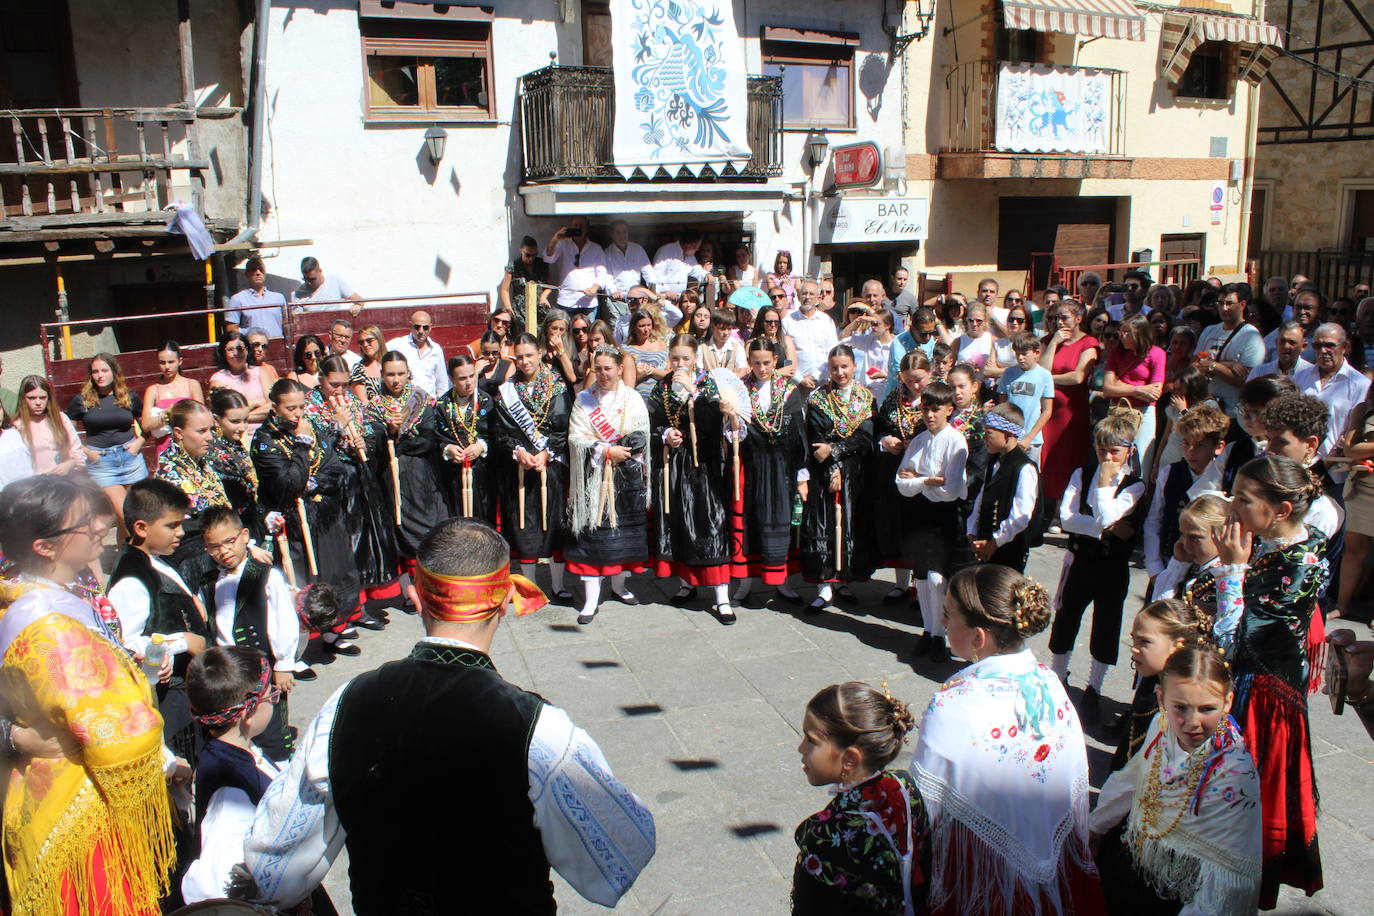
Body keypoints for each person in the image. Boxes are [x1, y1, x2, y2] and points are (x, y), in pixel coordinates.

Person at [239, 518, 655, 911]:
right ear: (506, 600)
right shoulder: (538, 730)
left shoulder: (346, 704)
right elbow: (621, 856)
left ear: (416, 595)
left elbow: (274, 870)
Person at [0, 475, 184, 915]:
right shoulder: (49, 625)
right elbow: (116, 731)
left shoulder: (54, 593)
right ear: (45, 547)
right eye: (84, 522)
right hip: (83, 806)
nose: (101, 525)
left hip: (56, 788)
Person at [909, 565, 1104, 915]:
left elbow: (924, 804)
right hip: (1052, 850)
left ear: (978, 637)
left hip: (979, 863)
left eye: (948, 615)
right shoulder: (1047, 679)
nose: (943, 622)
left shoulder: (952, 702)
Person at [1197, 455, 1327, 905]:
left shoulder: (1299, 564)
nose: (1232, 507)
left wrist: (1232, 569)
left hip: (1262, 701)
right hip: (1246, 685)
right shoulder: (1267, 543)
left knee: (1242, 809)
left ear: (1282, 511)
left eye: (1244, 500)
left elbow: (1235, 641)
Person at [1091, 646, 1262, 915]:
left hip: (1183, 892)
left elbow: (1225, 880)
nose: (1192, 722)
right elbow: (1132, 779)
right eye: (1180, 707)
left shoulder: (1234, 774)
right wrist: (1097, 826)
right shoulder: (1161, 726)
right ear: (1161, 698)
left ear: (1228, 702)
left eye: (1207, 708)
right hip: (1135, 864)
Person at [793, 682, 931, 915]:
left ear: (849, 759)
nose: (801, 748)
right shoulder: (904, 786)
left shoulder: (824, 839)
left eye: (812, 740)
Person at [181, 646, 302, 905]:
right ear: (249, 711)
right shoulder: (229, 795)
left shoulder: (234, 750)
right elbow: (213, 888)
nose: (276, 698)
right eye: (272, 695)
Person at [252, 379, 362, 654]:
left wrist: (312, 483)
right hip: (294, 522)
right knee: (302, 580)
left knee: (334, 572)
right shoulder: (264, 441)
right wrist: (301, 444)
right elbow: (288, 484)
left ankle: (331, 632)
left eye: (302, 406)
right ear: (275, 407)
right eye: (290, 408)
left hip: (324, 514)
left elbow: (334, 467)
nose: (299, 413)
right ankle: (297, 648)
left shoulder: (310, 424)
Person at [1049, 411, 1147, 719]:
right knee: (1066, 619)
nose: (1106, 457)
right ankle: (1058, 677)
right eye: (1101, 449)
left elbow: (1107, 516)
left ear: (1128, 451)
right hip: (1080, 560)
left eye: (1114, 451)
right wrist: (1106, 526)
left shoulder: (1135, 485)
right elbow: (1067, 518)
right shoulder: (1082, 473)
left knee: (1106, 627)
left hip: (1112, 566)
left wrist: (1105, 488)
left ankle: (1094, 687)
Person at [107, 478, 212, 763]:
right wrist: (182, 642)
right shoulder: (131, 580)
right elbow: (126, 643)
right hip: (170, 699)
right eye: (171, 526)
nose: (180, 533)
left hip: (185, 687)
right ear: (141, 528)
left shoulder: (153, 559)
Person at [648, 335, 739, 621]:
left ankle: (722, 595)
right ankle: (687, 582)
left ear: (695, 359)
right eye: (675, 358)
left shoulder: (708, 385)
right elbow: (649, 421)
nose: (680, 364)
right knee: (680, 523)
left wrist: (695, 395)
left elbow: (716, 425)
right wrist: (665, 434)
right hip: (674, 463)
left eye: (686, 358)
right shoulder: (661, 388)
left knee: (711, 524)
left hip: (705, 465)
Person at [200, 505, 300, 762]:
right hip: (229, 668)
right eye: (215, 547)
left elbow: (284, 619)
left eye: (229, 542)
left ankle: (280, 764)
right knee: (237, 723)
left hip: (262, 665)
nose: (224, 551)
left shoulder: (266, 576)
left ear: (245, 536)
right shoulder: (209, 583)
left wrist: (284, 663)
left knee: (271, 722)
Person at [566, 346, 651, 624]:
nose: (603, 374)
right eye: (598, 368)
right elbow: (576, 437)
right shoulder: (584, 400)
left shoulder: (633, 397)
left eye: (608, 368)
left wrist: (620, 450)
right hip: (593, 479)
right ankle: (591, 600)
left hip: (625, 478)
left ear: (618, 368)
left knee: (621, 540)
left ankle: (618, 586)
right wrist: (603, 450)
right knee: (593, 539)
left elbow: (641, 434)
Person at [310, 357, 398, 624]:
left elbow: (372, 429)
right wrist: (335, 426)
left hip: (358, 478)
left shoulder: (352, 401)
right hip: (333, 485)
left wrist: (364, 440)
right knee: (344, 546)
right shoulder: (310, 407)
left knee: (363, 542)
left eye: (344, 384)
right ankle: (345, 609)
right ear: (320, 378)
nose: (339, 391)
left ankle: (360, 604)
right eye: (333, 384)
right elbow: (313, 446)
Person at [493, 334, 573, 599]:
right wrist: (519, 451)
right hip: (520, 469)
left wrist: (546, 452)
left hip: (550, 465)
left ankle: (558, 585)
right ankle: (529, 588)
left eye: (529, 355)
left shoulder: (557, 385)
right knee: (524, 525)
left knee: (554, 523)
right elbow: (501, 431)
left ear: (540, 353)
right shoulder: (507, 390)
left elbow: (563, 424)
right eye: (520, 356)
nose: (525, 361)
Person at [895, 380, 968, 660]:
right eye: (926, 409)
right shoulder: (919, 440)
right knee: (922, 576)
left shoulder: (955, 441)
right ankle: (928, 632)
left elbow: (950, 491)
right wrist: (929, 480)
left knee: (939, 578)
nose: (929, 415)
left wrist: (918, 480)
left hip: (944, 516)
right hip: (920, 513)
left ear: (949, 410)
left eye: (936, 409)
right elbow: (901, 482)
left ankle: (940, 632)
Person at [800, 345, 876, 612]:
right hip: (824, 474)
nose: (840, 372)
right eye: (834, 367)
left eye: (844, 366)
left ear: (854, 366)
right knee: (824, 523)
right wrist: (832, 467)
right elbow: (817, 439)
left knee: (850, 525)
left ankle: (843, 579)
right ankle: (824, 586)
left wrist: (837, 451)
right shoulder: (819, 399)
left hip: (855, 473)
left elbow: (865, 437)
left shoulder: (866, 398)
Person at [733, 337, 808, 605]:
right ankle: (744, 583)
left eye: (766, 362)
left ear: (775, 361)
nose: (761, 368)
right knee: (749, 524)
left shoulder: (789, 390)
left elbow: (799, 433)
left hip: (781, 467)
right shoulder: (741, 388)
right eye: (756, 363)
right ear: (749, 362)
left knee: (781, 522)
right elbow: (736, 430)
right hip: (752, 466)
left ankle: (782, 581)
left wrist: (801, 474)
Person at [1107, 598, 1214, 771]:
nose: (1134, 648)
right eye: (1134, 639)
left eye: (1144, 642)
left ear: (1177, 646)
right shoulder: (1152, 684)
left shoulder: (1186, 706)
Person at [368, 351, 445, 578]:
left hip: (422, 475)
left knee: (431, 526)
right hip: (392, 478)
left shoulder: (420, 399)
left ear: (408, 373)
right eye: (390, 374)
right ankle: (408, 589)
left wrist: (401, 442)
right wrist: (391, 431)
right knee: (400, 531)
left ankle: (434, 580)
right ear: (382, 375)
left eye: (401, 373)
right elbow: (376, 447)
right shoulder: (374, 407)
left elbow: (429, 439)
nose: (396, 379)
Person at [1142, 405, 1229, 588]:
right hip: (1168, 564)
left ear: (1218, 446)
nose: (1191, 451)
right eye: (1186, 443)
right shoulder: (1169, 473)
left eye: (1200, 445)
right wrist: (1154, 567)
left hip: (1206, 573)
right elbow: (1154, 520)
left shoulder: (1223, 480)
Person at [872, 351, 932, 601]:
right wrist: (885, 441)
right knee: (898, 525)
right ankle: (900, 583)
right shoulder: (893, 398)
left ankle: (922, 586)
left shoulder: (936, 399)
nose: (914, 386)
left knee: (920, 528)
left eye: (918, 379)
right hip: (896, 470)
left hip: (924, 473)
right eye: (908, 381)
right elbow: (879, 428)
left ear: (929, 373)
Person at [67, 352, 148, 528]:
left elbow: (147, 426)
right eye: (95, 371)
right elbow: (67, 434)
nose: (100, 375)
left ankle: (126, 554)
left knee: (138, 514)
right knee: (126, 515)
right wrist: (87, 452)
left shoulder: (128, 397)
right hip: (102, 463)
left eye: (104, 370)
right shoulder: (82, 400)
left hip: (130, 458)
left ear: (114, 372)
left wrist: (138, 444)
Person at [1039, 300, 1100, 508]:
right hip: (1048, 410)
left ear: (1078, 318)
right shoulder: (1048, 340)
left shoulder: (1088, 343)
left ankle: (1065, 508)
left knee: (1069, 459)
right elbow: (1041, 369)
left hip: (1071, 412)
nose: (1059, 322)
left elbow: (1077, 377)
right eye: (1055, 318)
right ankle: (1046, 507)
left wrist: (1049, 378)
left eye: (1064, 317)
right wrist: (1054, 343)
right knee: (1047, 458)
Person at [967, 403, 1039, 573]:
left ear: (1008, 435)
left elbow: (1021, 515)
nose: (985, 437)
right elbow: (981, 499)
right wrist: (972, 532)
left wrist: (995, 542)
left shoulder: (1024, 467)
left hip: (1009, 548)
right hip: (985, 543)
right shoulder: (993, 461)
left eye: (989, 433)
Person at [1294, 322, 1371, 466]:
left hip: (1336, 469)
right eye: (1317, 346)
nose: (1323, 351)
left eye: (1330, 345)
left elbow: (1355, 431)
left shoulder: (1360, 384)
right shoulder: (1299, 378)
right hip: (1298, 464)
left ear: (1345, 347)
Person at [435, 355, 497, 524]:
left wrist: (481, 446)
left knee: (483, 520)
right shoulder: (442, 405)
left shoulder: (486, 401)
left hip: (482, 474)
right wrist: (447, 449)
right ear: (452, 379)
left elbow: (497, 434)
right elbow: (435, 438)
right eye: (462, 378)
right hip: (454, 474)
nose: (469, 382)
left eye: (472, 375)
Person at [1104, 313, 1167, 473]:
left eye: (1127, 332)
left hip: (1144, 413)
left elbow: (1154, 393)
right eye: (1121, 331)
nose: (1122, 336)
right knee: (1116, 459)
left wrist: (1120, 384)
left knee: (1141, 464)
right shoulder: (1116, 353)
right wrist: (1138, 389)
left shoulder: (1156, 353)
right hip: (1119, 409)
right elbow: (1108, 388)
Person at [1196, 283, 1266, 419]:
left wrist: (1213, 365)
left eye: (1229, 303)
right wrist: (1229, 365)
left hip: (1233, 413)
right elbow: (1195, 365)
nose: (1224, 308)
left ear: (1242, 305)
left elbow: (1245, 380)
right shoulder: (1209, 330)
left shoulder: (1251, 336)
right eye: (1220, 303)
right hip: (1207, 409)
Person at [207, 388, 268, 545]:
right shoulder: (212, 452)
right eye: (235, 421)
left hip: (251, 520)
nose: (242, 427)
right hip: (232, 529)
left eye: (245, 420)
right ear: (216, 420)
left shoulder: (234, 444)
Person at [1336, 382, 1374, 618]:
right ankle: (1341, 606)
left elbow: (1358, 448)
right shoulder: (1363, 408)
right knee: (1353, 550)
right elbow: (1351, 450)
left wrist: (1364, 449)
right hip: (1361, 486)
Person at [2, 375, 83, 481]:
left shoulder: (60, 418)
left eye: (42, 397)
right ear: (23, 399)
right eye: (31, 398)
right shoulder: (17, 426)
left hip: (65, 480)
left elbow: (76, 448)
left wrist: (70, 463)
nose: (38, 403)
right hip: (37, 485)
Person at [1152, 492, 1227, 603]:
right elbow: (1158, 605)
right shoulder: (1191, 567)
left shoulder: (1223, 577)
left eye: (1195, 537)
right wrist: (1178, 565)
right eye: (1182, 534)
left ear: (1222, 536)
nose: (1185, 544)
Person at [994, 333, 1054, 464]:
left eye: (1024, 354)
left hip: (1032, 439)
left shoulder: (1045, 376)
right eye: (1017, 354)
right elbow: (1002, 407)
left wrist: (1029, 438)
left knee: (1029, 476)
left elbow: (1047, 411)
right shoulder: (1009, 373)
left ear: (1036, 353)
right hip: (1009, 437)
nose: (1020, 358)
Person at [143, 341, 205, 456]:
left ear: (180, 361)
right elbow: (146, 425)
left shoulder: (192, 384)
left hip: (192, 447)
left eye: (171, 362)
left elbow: (202, 417)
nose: (167, 367)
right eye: (162, 362)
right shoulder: (153, 390)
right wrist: (166, 416)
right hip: (165, 449)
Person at [1153, 365, 1218, 473]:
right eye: (1175, 389)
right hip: (1168, 459)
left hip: (1191, 462)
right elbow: (1165, 436)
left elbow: (1201, 431)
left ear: (1193, 388)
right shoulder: (1173, 406)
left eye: (1181, 389)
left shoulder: (1209, 405)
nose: (1177, 393)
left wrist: (1183, 410)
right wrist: (1156, 463)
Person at [209, 329, 276, 431]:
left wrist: (239, 417)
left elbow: (273, 407)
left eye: (240, 348)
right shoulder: (218, 379)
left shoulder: (261, 372)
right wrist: (255, 402)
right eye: (230, 349)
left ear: (247, 350)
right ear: (223, 352)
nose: (236, 353)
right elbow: (224, 413)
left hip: (266, 432)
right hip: (238, 435)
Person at [545, 215, 611, 318]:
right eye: (575, 225)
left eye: (581, 225)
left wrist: (594, 288)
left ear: (587, 228)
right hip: (566, 301)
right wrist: (555, 238)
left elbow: (602, 273)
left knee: (587, 333)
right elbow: (549, 258)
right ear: (570, 227)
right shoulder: (562, 245)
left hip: (589, 303)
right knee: (566, 333)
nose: (578, 227)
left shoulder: (596, 248)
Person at [784, 279, 839, 391]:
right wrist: (799, 379)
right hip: (795, 385)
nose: (807, 297)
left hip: (822, 384)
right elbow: (785, 356)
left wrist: (816, 376)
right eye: (804, 293)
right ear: (799, 296)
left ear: (818, 298)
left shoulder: (827, 321)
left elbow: (832, 352)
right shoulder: (788, 321)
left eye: (811, 294)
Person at [386, 309, 449, 398]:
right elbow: (379, 353)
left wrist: (440, 404)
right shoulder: (398, 344)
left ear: (430, 327)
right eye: (417, 327)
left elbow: (442, 383)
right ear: (410, 326)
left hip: (429, 404)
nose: (421, 331)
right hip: (404, 402)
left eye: (425, 327)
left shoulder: (436, 349)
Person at [225, 257, 287, 337]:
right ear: (247, 274)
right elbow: (231, 329)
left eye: (261, 269)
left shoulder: (279, 298)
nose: (258, 273)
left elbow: (287, 325)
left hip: (276, 344)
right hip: (253, 346)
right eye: (253, 269)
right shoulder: (237, 299)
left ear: (265, 273)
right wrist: (249, 333)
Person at [602, 221, 651, 320]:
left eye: (624, 232)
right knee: (616, 331)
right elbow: (607, 276)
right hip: (617, 301)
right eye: (618, 232)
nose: (622, 235)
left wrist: (652, 290)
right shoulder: (607, 253)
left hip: (636, 300)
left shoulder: (638, 249)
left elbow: (648, 272)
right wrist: (613, 291)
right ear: (612, 235)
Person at [501, 234, 552, 323]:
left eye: (534, 255)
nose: (531, 258)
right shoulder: (513, 267)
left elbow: (550, 285)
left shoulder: (541, 265)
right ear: (521, 251)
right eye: (528, 255)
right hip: (520, 313)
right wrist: (509, 311)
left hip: (539, 311)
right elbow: (505, 290)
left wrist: (543, 297)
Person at [623, 307, 670, 399]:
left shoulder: (661, 345)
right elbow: (624, 383)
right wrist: (640, 375)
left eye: (649, 325)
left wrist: (651, 370)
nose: (646, 329)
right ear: (634, 328)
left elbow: (668, 373)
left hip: (658, 399)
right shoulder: (627, 350)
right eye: (642, 326)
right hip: (636, 399)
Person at [291, 256, 363, 315]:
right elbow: (297, 319)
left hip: (335, 328)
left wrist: (357, 306)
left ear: (320, 271)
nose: (308, 283)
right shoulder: (297, 294)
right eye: (305, 279)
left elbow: (360, 300)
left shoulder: (335, 280)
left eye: (312, 279)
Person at [538, 308, 580, 387]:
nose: (557, 333)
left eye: (561, 330)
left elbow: (572, 378)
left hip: (563, 396)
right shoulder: (538, 347)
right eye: (554, 328)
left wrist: (561, 352)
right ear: (547, 328)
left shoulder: (570, 347)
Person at [700, 307, 747, 374]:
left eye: (729, 329)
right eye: (722, 328)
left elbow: (742, 370)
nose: (726, 333)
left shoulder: (738, 348)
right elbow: (699, 372)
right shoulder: (702, 349)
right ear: (713, 327)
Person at [349, 323, 387, 402]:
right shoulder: (359, 369)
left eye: (369, 340)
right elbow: (362, 401)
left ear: (379, 339)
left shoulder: (394, 361)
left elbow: (408, 389)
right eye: (361, 342)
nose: (365, 345)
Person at [752, 304, 796, 369]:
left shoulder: (785, 341)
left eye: (776, 322)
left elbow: (790, 367)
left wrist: (786, 369)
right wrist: (778, 372)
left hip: (784, 379)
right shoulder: (753, 343)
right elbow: (752, 370)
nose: (773, 325)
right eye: (769, 322)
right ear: (761, 322)